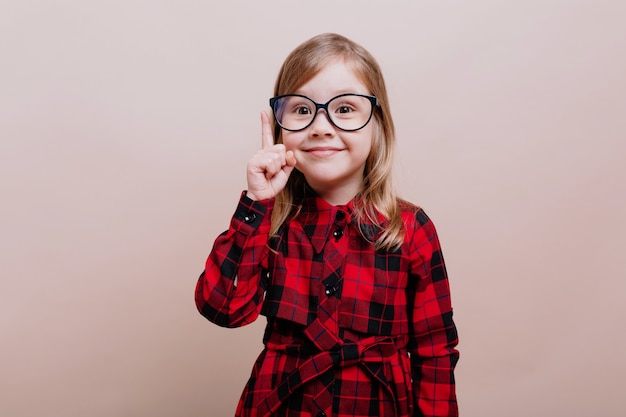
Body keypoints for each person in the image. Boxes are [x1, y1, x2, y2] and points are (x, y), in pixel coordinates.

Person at [195, 32, 459, 417]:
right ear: (281, 126)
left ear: (377, 124)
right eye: (302, 110)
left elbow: (435, 351)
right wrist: (256, 204)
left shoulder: (410, 229)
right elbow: (223, 308)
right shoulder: (271, 222)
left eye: (346, 108)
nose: (320, 126)